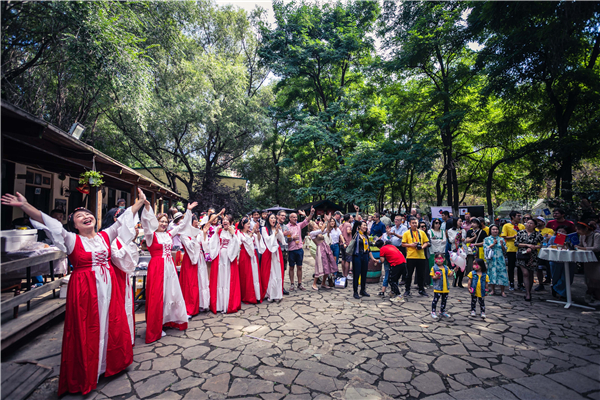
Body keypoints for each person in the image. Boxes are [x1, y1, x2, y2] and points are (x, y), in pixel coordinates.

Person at [2, 190, 146, 396]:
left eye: (88, 214)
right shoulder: (71, 239)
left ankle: (110, 364)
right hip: (85, 290)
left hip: (108, 287)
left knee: (110, 322)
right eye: (79, 216)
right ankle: (89, 371)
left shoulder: (106, 235)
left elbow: (123, 219)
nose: (86, 216)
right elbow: (50, 223)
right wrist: (25, 206)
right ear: (75, 226)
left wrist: (140, 202)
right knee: (87, 328)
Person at [141, 202, 191, 343]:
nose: (163, 224)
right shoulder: (151, 236)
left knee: (171, 293)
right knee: (158, 296)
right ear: (155, 222)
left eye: (165, 222)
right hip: (157, 267)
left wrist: (188, 210)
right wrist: (146, 207)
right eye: (161, 221)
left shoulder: (169, 234)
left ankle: (168, 321)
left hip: (170, 266)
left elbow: (182, 225)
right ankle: (156, 326)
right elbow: (145, 223)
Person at [101, 207, 139, 345]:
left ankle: (127, 338)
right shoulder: (108, 238)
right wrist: (129, 243)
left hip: (123, 275)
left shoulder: (122, 238)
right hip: (113, 276)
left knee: (126, 306)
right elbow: (116, 257)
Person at [179, 211, 211, 317]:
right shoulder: (184, 235)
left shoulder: (199, 232)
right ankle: (190, 306)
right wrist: (195, 236)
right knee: (190, 282)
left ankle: (202, 304)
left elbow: (205, 247)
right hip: (190, 260)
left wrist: (205, 234)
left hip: (200, 258)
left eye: (197, 220)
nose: (197, 222)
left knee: (201, 280)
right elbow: (190, 247)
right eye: (195, 220)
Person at [208, 216, 241, 313]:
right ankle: (219, 304)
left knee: (228, 278)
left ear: (231, 222)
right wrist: (215, 233)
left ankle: (228, 303)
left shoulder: (234, 232)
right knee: (220, 278)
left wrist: (233, 235)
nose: (224, 221)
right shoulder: (219, 232)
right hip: (220, 257)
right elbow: (213, 243)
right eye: (224, 220)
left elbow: (237, 245)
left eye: (227, 220)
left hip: (229, 257)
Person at [515, 218, 544, 302]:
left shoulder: (537, 234)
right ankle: (527, 293)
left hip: (532, 256)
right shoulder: (520, 233)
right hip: (522, 255)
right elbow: (516, 243)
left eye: (531, 223)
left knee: (531, 274)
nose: (529, 224)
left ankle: (529, 291)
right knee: (525, 273)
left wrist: (535, 247)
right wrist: (527, 245)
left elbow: (543, 244)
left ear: (535, 225)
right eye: (528, 223)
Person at [286, 207, 314, 291]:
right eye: (293, 217)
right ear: (290, 218)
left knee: (300, 267)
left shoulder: (299, 225)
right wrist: (292, 238)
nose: (295, 218)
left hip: (299, 249)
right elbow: (286, 240)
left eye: (296, 217)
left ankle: (299, 284)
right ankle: (291, 284)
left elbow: (307, 221)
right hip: (291, 249)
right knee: (291, 267)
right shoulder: (287, 227)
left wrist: (311, 213)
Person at [260, 213, 286, 302]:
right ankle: (270, 294)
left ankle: (277, 294)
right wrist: (274, 233)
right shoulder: (264, 229)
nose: (273, 219)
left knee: (277, 271)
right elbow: (267, 239)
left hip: (276, 251)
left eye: (274, 218)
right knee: (270, 273)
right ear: (268, 219)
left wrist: (279, 231)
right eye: (271, 218)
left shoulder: (276, 228)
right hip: (268, 252)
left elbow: (281, 239)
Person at [402, 217, 430, 297]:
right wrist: (411, 245)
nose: (414, 224)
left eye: (416, 223)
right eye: (413, 223)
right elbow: (403, 244)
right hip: (411, 256)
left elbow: (426, 242)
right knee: (409, 274)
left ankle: (421, 289)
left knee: (421, 274)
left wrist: (422, 247)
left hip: (421, 256)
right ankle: (407, 290)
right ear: (410, 224)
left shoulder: (422, 232)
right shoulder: (406, 233)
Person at [237, 217, 263, 304]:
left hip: (253, 255)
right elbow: (246, 240)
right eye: (247, 224)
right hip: (244, 255)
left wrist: (258, 232)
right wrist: (252, 232)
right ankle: (247, 296)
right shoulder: (239, 234)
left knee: (254, 273)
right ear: (243, 225)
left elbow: (258, 240)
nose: (249, 225)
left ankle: (257, 295)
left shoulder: (251, 233)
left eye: (249, 223)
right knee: (246, 275)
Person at [308, 216, 338, 290]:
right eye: (315, 223)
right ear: (312, 226)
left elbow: (327, 230)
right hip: (320, 249)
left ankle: (323, 282)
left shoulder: (318, 231)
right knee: (319, 266)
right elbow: (322, 230)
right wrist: (325, 222)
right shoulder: (312, 233)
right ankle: (314, 283)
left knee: (327, 265)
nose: (316, 224)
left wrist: (328, 221)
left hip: (325, 248)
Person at [350, 221, 378, 299]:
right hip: (357, 256)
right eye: (363, 225)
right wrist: (357, 212)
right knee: (356, 274)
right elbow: (355, 224)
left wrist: (373, 259)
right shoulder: (356, 234)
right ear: (359, 226)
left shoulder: (366, 237)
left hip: (365, 256)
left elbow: (368, 249)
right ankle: (355, 292)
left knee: (364, 273)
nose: (365, 227)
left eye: (366, 225)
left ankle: (362, 290)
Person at [575, 221, 600, 305]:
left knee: (596, 279)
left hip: (596, 260)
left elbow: (596, 248)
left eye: (579, 229)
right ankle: (591, 295)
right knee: (589, 279)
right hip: (587, 260)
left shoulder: (596, 235)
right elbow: (581, 244)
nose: (577, 231)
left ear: (586, 229)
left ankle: (595, 296)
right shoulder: (582, 236)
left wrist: (582, 248)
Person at [501, 211, 525, 291]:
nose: (520, 217)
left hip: (521, 249)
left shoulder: (522, 226)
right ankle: (511, 282)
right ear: (513, 217)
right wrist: (513, 237)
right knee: (511, 266)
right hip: (511, 248)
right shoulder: (506, 225)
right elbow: (503, 236)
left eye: (520, 216)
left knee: (521, 266)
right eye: (518, 216)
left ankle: (520, 283)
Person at [548, 226, 573, 300]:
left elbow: (574, 247)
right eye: (559, 231)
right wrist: (556, 246)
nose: (561, 233)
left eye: (563, 231)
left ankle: (563, 292)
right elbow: (548, 246)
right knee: (555, 275)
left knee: (566, 277)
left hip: (568, 259)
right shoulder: (553, 238)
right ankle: (556, 288)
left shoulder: (570, 238)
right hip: (555, 259)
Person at [483, 224, 509, 297]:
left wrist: (502, 245)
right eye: (493, 229)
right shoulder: (487, 239)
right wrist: (493, 244)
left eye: (496, 229)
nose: (495, 231)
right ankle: (492, 290)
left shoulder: (501, 239)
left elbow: (505, 250)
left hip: (500, 258)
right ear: (490, 230)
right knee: (492, 273)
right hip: (492, 258)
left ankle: (502, 291)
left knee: (502, 273)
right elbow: (486, 248)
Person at [430, 253, 453, 319]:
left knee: (444, 300)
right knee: (435, 300)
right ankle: (433, 311)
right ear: (435, 259)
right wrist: (436, 276)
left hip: (445, 288)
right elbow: (433, 277)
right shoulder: (434, 268)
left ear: (444, 259)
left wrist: (454, 270)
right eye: (437, 259)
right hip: (438, 288)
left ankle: (442, 311)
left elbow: (449, 275)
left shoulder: (446, 267)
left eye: (440, 259)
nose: (439, 260)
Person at [534, 216, 554, 291]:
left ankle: (553, 284)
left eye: (539, 221)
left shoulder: (549, 230)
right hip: (537, 252)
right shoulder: (534, 230)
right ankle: (540, 284)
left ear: (543, 222)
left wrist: (543, 237)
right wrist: (544, 236)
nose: (537, 222)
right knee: (539, 269)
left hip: (547, 253)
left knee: (550, 269)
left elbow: (550, 237)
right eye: (536, 221)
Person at [447, 218, 465, 287]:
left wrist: (463, 239)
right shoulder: (450, 231)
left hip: (462, 250)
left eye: (461, 221)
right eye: (459, 221)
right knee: (456, 266)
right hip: (455, 249)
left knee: (462, 266)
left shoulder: (463, 230)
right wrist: (458, 235)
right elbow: (451, 240)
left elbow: (465, 240)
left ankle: (460, 282)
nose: (461, 222)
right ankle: (454, 281)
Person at [276, 211, 290, 295]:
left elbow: (288, 239)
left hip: (285, 250)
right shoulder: (275, 226)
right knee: (277, 269)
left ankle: (282, 286)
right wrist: (282, 234)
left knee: (283, 269)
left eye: (285, 215)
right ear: (277, 216)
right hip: (278, 250)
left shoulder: (286, 227)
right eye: (282, 215)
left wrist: (289, 235)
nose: (284, 217)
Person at [340, 214, 354, 279]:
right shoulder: (348, 224)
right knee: (348, 260)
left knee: (343, 259)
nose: (352, 219)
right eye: (351, 218)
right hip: (347, 244)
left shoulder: (341, 225)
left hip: (341, 244)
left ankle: (343, 273)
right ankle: (346, 275)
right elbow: (348, 231)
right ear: (348, 219)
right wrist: (353, 232)